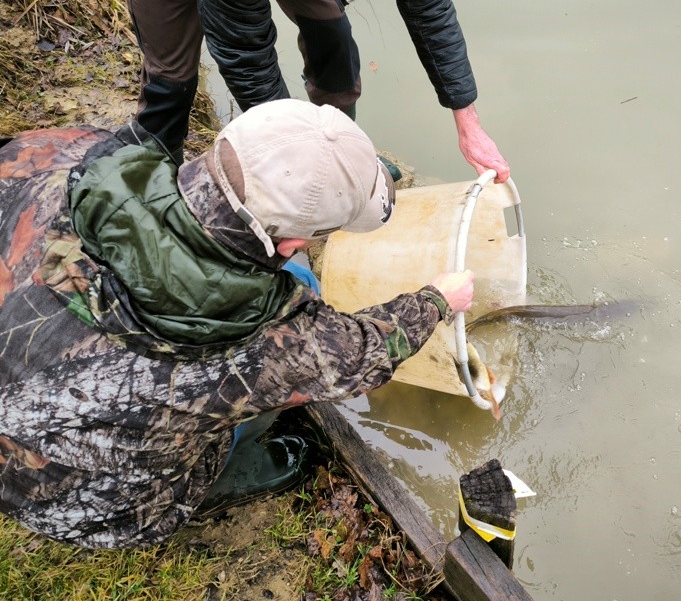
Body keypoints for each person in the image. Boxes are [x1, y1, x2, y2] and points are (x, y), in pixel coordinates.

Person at [0, 99, 475, 549]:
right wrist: (437, 299)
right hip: (75, 504)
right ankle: (220, 477)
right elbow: (364, 353)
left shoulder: (60, 156)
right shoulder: (273, 340)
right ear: (290, 241)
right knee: (290, 307)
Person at [107, 0, 510, 183]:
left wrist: (467, 119)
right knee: (172, 75)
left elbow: (428, 2)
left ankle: (341, 157)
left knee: (331, 36)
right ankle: (150, 183)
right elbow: (245, 52)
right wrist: (294, 167)